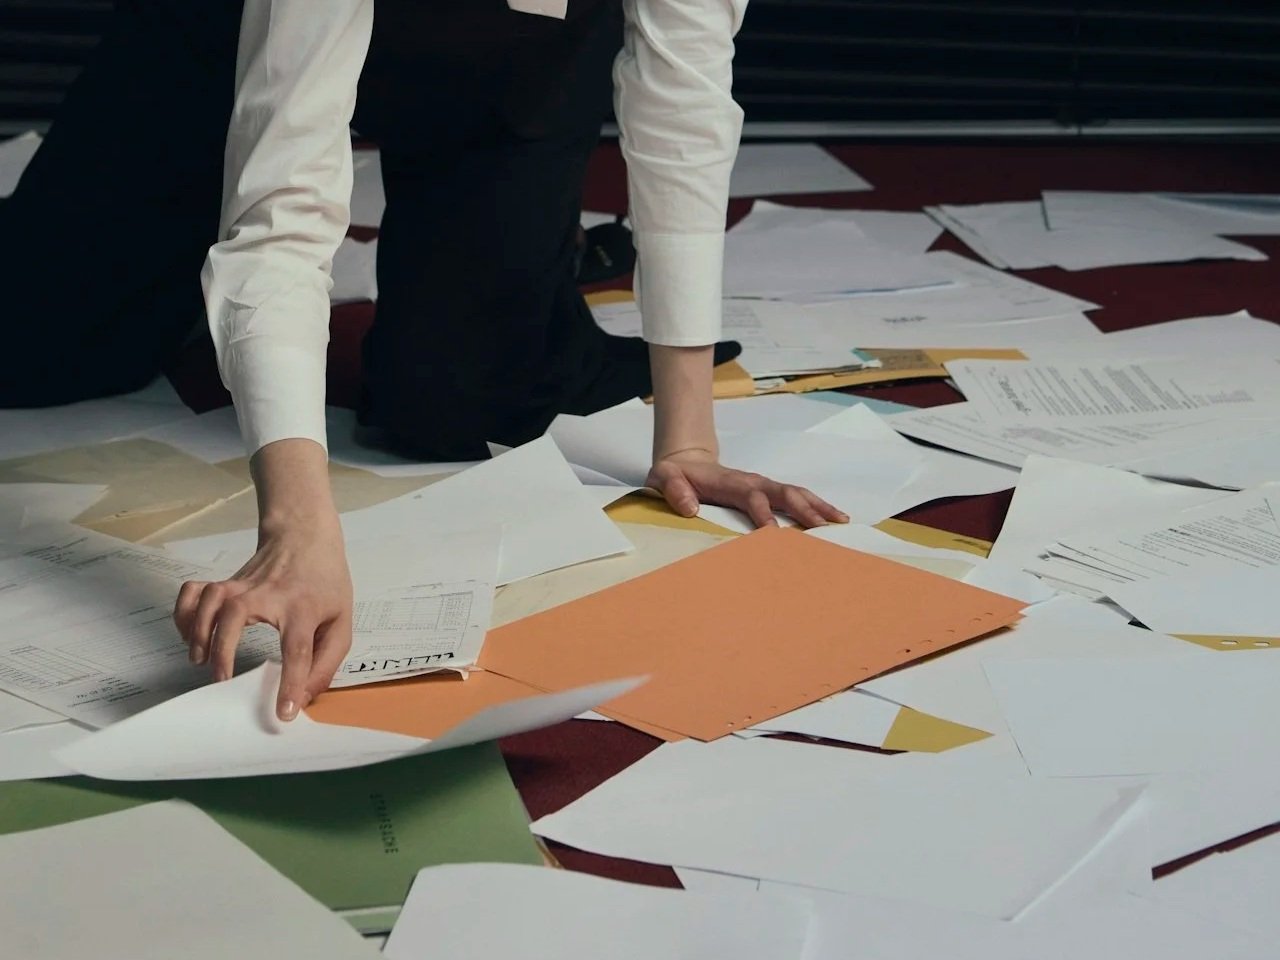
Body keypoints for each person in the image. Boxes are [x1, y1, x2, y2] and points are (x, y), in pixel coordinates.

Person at [1, 0, 847, 722]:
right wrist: (297, 530)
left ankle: (551, 267)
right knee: (43, 351)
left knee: (465, 404)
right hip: (222, 34)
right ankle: (171, 279)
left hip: (511, 57)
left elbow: (684, 108)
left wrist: (688, 440)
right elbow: (284, 207)